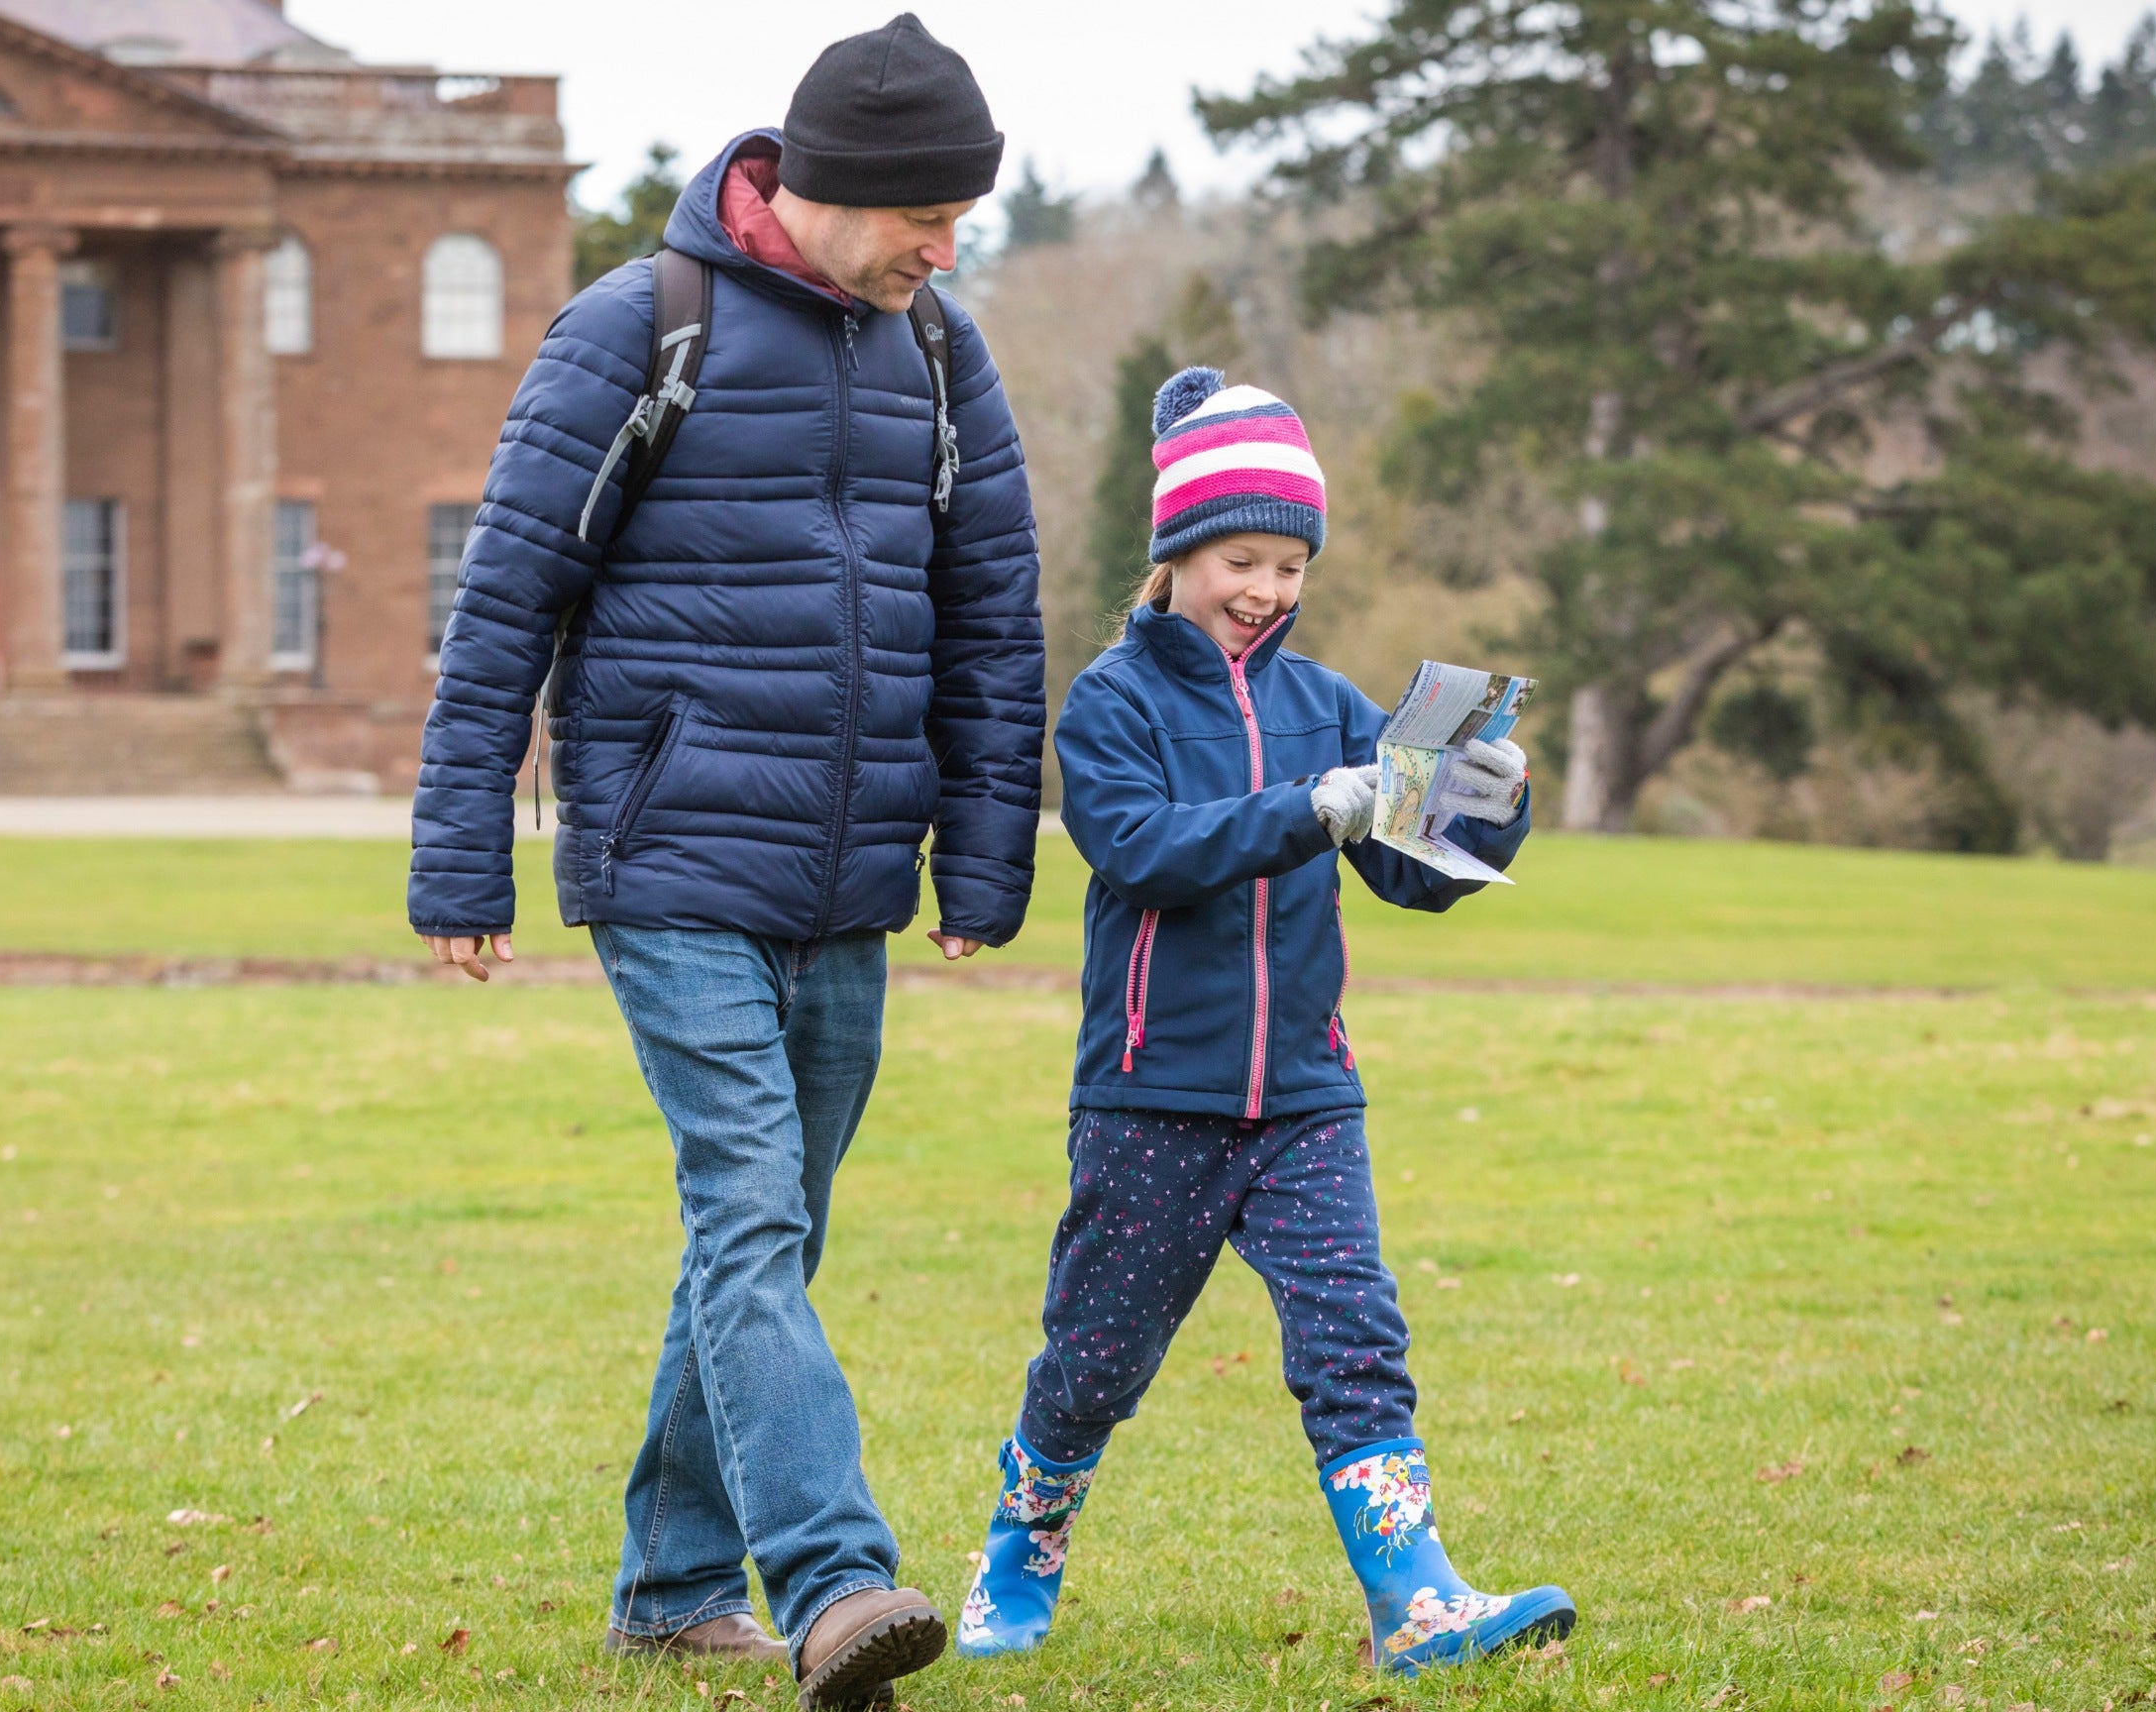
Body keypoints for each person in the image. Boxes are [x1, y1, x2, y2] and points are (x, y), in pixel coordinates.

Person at [404, 15, 1044, 1707]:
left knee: (771, 1232)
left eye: (962, 220)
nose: (946, 245)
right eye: (930, 215)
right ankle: (836, 1582)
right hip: (670, 855)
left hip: (845, 883)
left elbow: (993, 621)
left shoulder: (941, 357)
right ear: (836, 188)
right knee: (751, 1208)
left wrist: (984, 852)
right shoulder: (640, 327)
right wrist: (464, 850)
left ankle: (675, 1586)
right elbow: (506, 601)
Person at [951, 369, 1574, 1676]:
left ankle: (1417, 1600)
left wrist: (1488, 800)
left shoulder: (1335, 709)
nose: (1267, 590)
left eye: (1291, 565)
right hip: (1149, 1097)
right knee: (1094, 1361)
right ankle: (1024, 1541)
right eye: (1243, 557)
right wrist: (1314, 811)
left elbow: (1413, 871)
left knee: (1358, 1341)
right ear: (1176, 552)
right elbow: (1142, 851)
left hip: (1304, 1098)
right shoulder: (1112, 704)